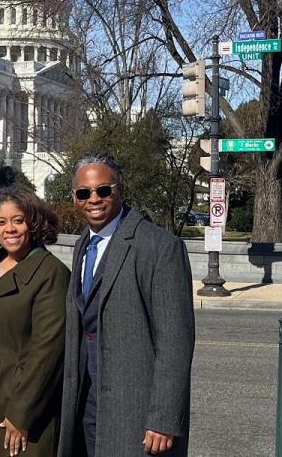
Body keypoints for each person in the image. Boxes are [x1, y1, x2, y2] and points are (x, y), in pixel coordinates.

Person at [58, 153, 195, 457]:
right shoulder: (83, 243)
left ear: (121, 189)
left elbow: (175, 342)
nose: (94, 199)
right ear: (74, 197)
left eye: (103, 190)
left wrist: (163, 419)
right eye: (84, 193)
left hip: (137, 411)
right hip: (88, 402)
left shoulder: (159, 247)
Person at [0, 186, 69, 457]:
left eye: (18, 220)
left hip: (21, 403)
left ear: (33, 223)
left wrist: (22, 413)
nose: (9, 229)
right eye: (1, 222)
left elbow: (47, 352)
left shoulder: (51, 273)